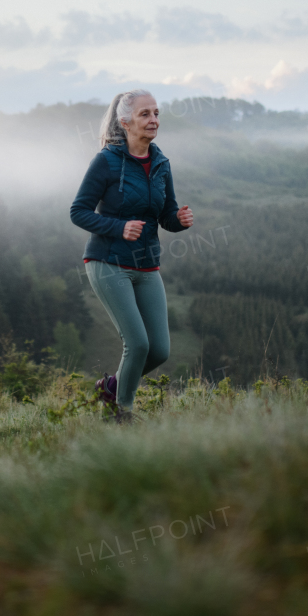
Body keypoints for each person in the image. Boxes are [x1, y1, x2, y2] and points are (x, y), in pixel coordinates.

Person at [70, 89, 194, 422]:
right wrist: (118, 227)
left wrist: (178, 221)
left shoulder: (161, 163)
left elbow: (165, 214)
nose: (153, 120)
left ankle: (109, 387)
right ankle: (120, 414)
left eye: (156, 113)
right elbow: (78, 212)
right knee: (137, 344)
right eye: (145, 114)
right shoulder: (106, 161)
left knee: (159, 351)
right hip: (107, 262)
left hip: (147, 265)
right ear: (125, 122)